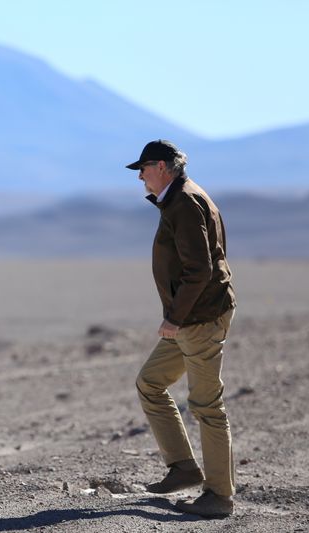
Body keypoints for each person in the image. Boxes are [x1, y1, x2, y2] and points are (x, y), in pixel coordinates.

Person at [126, 140, 237, 518]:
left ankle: (219, 496)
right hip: (190, 317)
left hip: (198, 318)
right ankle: (183, 467)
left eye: (143, 169)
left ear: (161, 167)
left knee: (207, 406)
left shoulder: (185, 202)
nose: (140, 177)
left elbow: (200, 270)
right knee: (150, 383)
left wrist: (174, 317)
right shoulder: (178, 199)